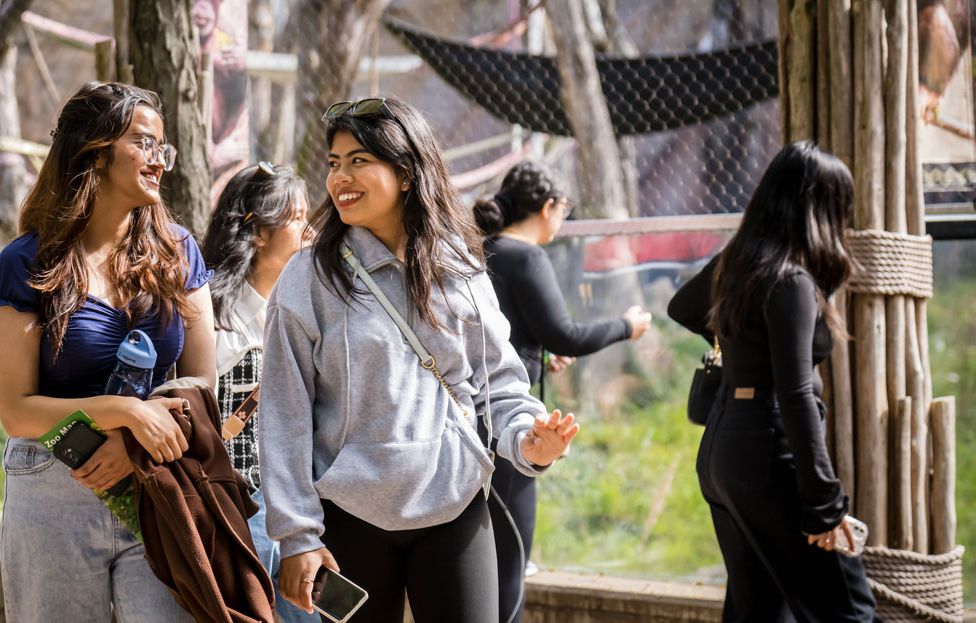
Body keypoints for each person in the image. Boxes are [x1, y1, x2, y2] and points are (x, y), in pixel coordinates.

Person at [257, 96, 580, 623]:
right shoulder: (309, 277)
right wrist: (296, 536)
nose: (341, 176)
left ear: (406, 173)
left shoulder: (460, 268)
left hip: (455, 506)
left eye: (359, 160)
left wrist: (528, 439)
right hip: (350, 519)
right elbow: (284, 413)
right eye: (335, 163)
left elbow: (498, 382)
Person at [0, 81, 215, 623]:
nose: (160, 160)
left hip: (158, 484)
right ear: (95, 149)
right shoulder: (26, 264)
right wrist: (126, 413)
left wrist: (131, 446)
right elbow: (16, 411)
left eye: (164, 148)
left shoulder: (180, 253)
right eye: (144, 144)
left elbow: (203, 384)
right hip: (53, 484)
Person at [667, 141, 881, 622]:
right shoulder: (790, 281)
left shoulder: (739, 264)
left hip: (723, 450)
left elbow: (681, 307)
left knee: (757, 610)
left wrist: (740, 342)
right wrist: (825, 505)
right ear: (819, 211)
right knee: (848, 611)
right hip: (767, 452)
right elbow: (796, 396)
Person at [473, 160, 652, 623]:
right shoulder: (525, 256)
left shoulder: (481, 251)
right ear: (548, 207)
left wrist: (538, 354)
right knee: (511, 556)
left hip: (470, 416)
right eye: (563, 209)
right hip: (509, 425)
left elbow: (506, 336)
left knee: (480, 555)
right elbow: (565, 334)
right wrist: (626, 327)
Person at [200, 160, 319, 623]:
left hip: (301, 518)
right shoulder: (208, 318)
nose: (310, 230)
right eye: (297, 218)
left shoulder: (307, 311)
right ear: (257, 233)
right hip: (232, 517)